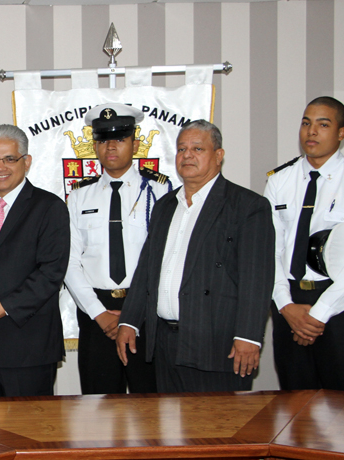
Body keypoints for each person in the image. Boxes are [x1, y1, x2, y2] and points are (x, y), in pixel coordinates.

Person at [115, 120, 274, 393]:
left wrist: (249, 336)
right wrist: (129, 321)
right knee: (170, 420)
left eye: (197, 149)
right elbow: (147, 271)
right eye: (181, 149)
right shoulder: (165, 206)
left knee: (215, 420)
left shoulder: (247, 206)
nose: (187, 155)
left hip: (218, 345)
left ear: (219, 155)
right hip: (165, 344)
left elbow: (257, 279)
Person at [264, 97, 344, 393]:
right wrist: (285, 305)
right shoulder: (280, 180)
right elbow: (269, 250)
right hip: (289, 302)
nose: (311, 131)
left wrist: (318, 314)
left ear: (341, 133)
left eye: (323, 124)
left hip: (340, 305)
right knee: (294, 404)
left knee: (343, 407)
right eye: (306, 123)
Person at [65, 104, 171, 395]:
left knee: (150, 406)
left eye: (120, 139)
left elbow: (167, 258)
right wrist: (99, 314)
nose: (110, 147)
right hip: (96, 313)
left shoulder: (161, 191)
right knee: (99, 408)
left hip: (147, 310)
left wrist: (135, 315)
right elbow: (69, 262)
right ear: (94, 146)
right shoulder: (78, 196)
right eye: (102, 140)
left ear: (135, 145)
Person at [0, 124, 70, 397]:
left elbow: (51, 273)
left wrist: (7, 306)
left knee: (29, 424)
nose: (1, 167)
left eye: (10, 159)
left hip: (27, 347)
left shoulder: (50, 207)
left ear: (26, 161)